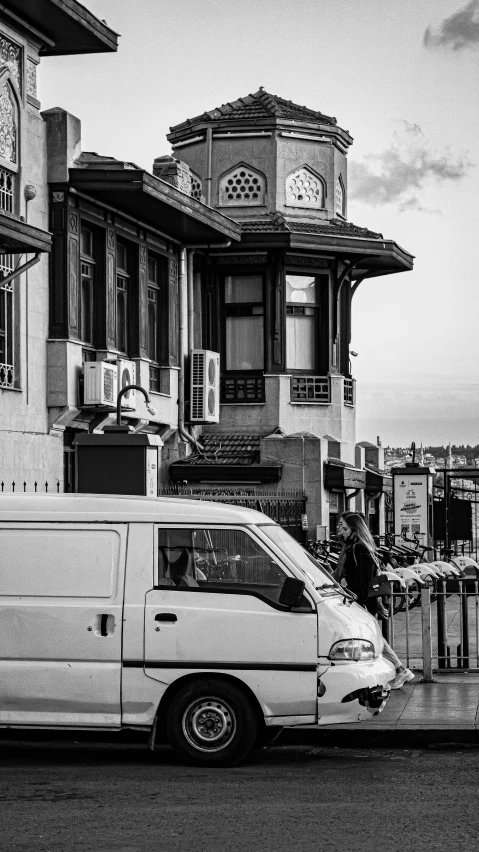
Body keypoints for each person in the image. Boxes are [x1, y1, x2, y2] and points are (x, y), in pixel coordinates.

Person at [335, 511, 415, 690]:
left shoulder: (359, 549)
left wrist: (358, 602)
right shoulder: (353, 547)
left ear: (355, 529)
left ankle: (398, 670)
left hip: (360, 601)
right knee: (373, 638)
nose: (339, 528)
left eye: (344, 526)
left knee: (373, 639)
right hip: (359, 601)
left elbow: (364, 580)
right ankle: (396, 670)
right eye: (339, 525)